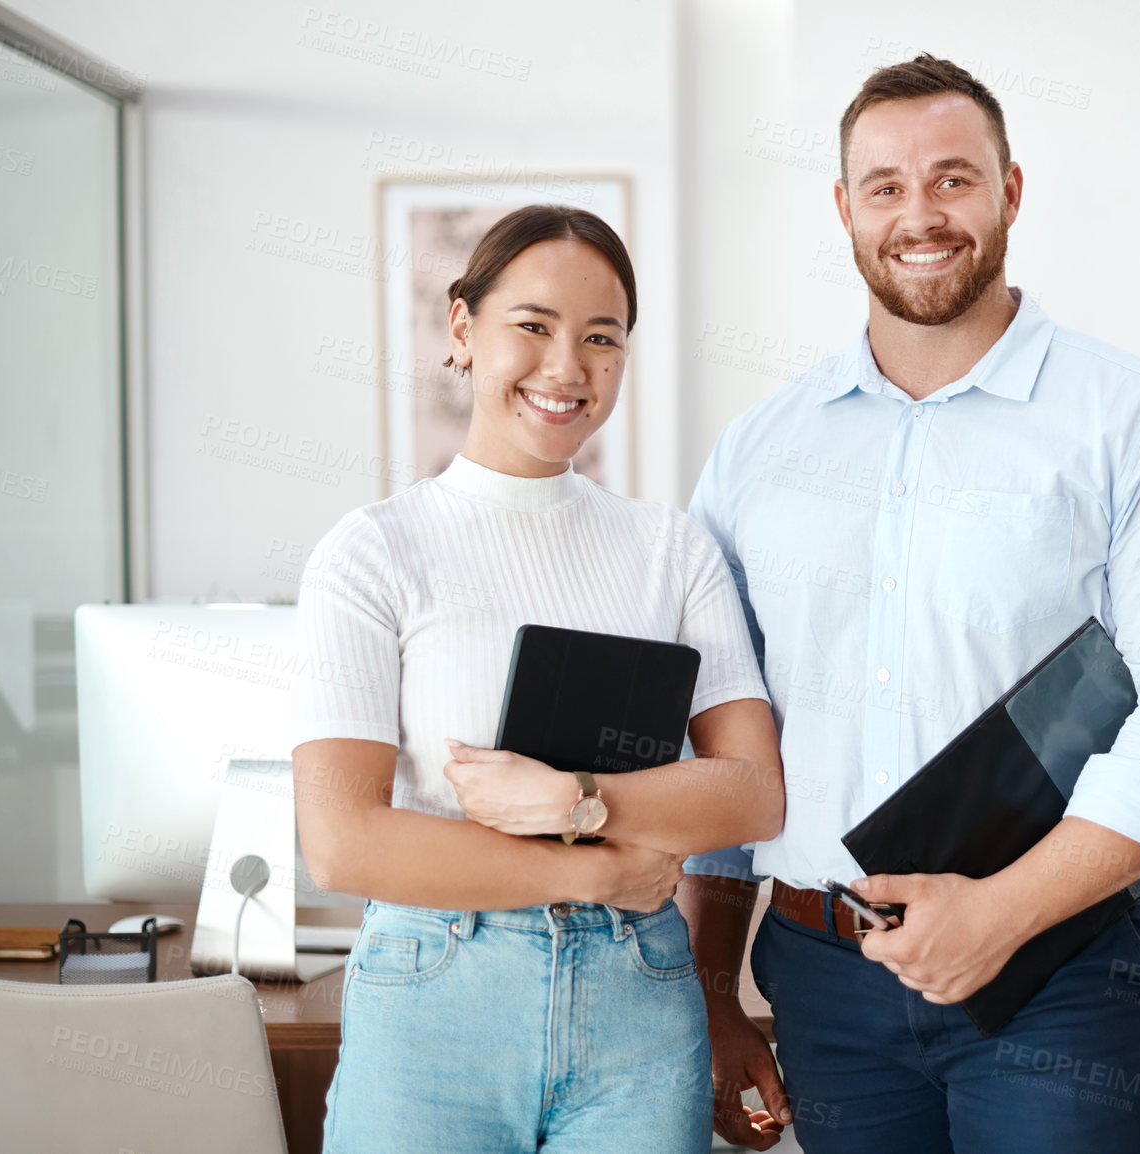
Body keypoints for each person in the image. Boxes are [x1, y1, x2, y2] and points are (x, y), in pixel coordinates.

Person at [678, 55, 1140, 1152]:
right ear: (845, 208)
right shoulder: (760, 451)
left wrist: (1002, 912)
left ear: (1010, 191)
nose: (921, 213)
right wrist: (713, 992)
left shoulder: (1134, 421)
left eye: (954, 178)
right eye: (888, 186)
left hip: (1058, 970)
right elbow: (724, 731)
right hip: (825, 980)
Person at [290, 203, 785, 1154]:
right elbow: (344, 843)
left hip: (638, 1008)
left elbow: (752, 794)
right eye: (533, 326)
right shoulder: (374, 550)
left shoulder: (671, 550)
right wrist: (597, 865)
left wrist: (576, 798)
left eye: (601, 338)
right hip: (436, 995)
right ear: (463, 328)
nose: (567, 368)